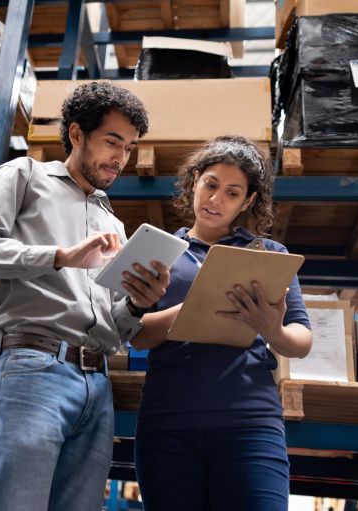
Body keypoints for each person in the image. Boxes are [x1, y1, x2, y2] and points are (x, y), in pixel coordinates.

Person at [0, 81, 170, 511]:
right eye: (112, 142)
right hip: (35, 369)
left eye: (128, 147)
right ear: (76, 134)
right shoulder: (24, 176)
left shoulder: (112, 221)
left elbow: (114, 325)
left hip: (97, 384)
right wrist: (57, 256)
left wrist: (137, 304)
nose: (120, 159)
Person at [130, 136, 313, 510]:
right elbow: (135, 336)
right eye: (210, 184)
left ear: (247, 202)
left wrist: (273, 330)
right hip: (168, 425)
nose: (215, 200)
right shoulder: (158, 252)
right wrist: (189, 310)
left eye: (232, 193)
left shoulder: (268, 256)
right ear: (194, 180)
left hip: (250, 423)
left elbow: (302, 339)